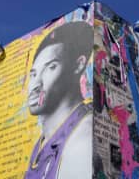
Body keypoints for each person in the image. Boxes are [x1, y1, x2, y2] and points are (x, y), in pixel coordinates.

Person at [24, 21, 93, 179]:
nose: (35, 85)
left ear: (79, 65)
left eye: (50, 67)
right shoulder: (42, 142)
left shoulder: (81, 139)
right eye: (33, 74)